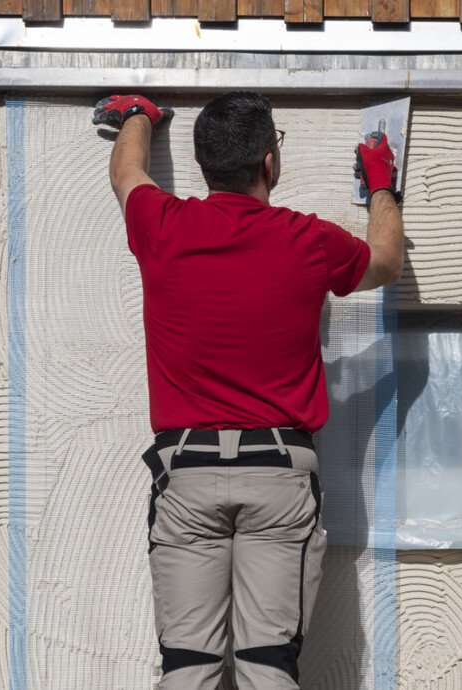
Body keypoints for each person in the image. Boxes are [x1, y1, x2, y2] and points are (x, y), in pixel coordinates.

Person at [92, 92, 404, 689]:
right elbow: (387, 262)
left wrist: (139, 115)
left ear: (205, 163)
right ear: (269, 163)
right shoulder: (309, 241)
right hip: (279, 475)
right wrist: (381, 184)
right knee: (267, 667)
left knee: (188, 668)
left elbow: (127, 173)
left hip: (186, 473)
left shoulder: (160, 223)